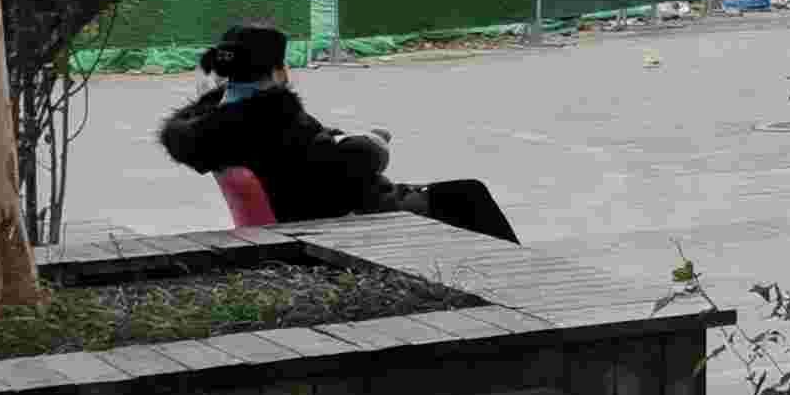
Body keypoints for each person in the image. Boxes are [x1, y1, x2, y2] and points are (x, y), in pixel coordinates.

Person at [157, 22, 519, 242]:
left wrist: (333, 138)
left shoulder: (218, 123)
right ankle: (520, 291)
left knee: (463, 193)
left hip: (314, 206)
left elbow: (310, 155)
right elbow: (350, 164)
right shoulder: (272, 118)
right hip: (346, 215)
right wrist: (374, 141)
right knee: (468, 195)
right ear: (276, 70)